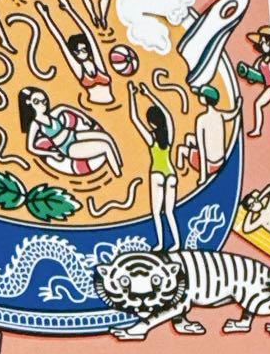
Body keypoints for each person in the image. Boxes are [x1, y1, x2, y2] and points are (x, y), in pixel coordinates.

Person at [18, 86, 122, 176]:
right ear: (29, 103)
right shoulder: (35, 124)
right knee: (105, 146)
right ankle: (118, 175)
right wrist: (51, 154)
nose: (42, 105)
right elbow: (31, 148)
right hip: (67, 147)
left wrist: (85, 118)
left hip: (74, 135)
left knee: (106, 137)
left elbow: (64, 108)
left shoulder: (52, 114)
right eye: (37, 102)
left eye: (44, 101)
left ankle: (120, 165)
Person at [128, 83, 179, 250]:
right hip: (171, 174)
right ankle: (177, 243)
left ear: (151, 123)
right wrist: (149, 94)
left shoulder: (152, 139)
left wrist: (132, 95)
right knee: (169, 212)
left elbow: (134, 118)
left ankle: (160, 244)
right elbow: (166, 112)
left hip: (157, 173)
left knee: (157, 212)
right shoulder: (169, 136)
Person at [36, 0, 114, 106]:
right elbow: (61, 42)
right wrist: (45, 16)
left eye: (83, 50)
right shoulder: (79, 69)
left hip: (111, 105)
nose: (81, 53)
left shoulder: (98, 64)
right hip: (91, 106)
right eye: (77, 52)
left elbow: (89, 35)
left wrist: (70, 9)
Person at [175, 86, 239, 187]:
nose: (199, 97)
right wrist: (238, 106)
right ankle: (187, 161)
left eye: (201, 96)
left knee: (181, 150)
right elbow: (233, 114)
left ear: (205, 99)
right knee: (189, 138)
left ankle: (181, 168)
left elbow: (202, 150)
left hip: (210, 166)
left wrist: (203, 177)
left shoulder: (201, 120)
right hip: (221, 162)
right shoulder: (220, 114)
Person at [241, 25, 270, 138]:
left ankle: (257, 130)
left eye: (265, 42)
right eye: (262, 42)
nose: (263, 44)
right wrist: (249, 76)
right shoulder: (260, 60)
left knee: (258, 104)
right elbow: (253, 75)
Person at [240, 182, 270, 246]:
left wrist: (259, 198)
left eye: (255, 200)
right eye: (252, 204)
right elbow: (246, 228)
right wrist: (250, 212)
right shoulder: (260, 220)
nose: (256, 203)